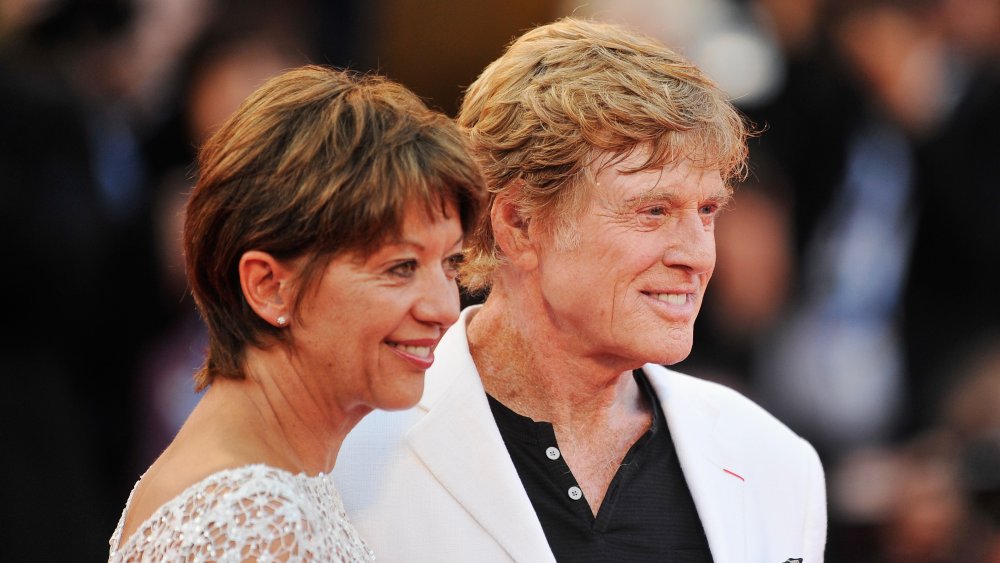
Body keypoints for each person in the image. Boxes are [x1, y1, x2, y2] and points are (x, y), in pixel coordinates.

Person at [335, 18, 827, 562]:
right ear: (519, 223)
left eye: (707, 211)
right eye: (653, 210)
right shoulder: (348, 453)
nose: (696, 254)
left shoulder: (776, 464)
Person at [107, 65, 485, 561]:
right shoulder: (252, 523)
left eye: (450, 263)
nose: (444, 308)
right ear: (268, 286)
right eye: (400, 267)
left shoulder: (273, 483)